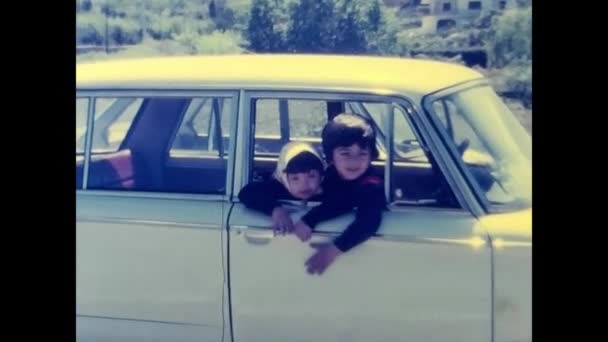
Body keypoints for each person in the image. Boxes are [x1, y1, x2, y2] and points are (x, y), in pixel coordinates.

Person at [293, 113, 386, 275]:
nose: (354, 161)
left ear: (371, 156)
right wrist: (276, 209)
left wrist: (331, 251)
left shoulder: (371, 185)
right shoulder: (329, 175)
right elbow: (337, 200)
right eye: (345, 153)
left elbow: (367, 221)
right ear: (331, 157)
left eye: (362, 153)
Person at [238, 141, 325, 235]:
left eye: (311, 176)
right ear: (284, 177)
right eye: (295, 178)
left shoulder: (328, 189)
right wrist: (275, 209)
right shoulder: (278, 187)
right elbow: (246, 193)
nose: (304, 185)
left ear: (321, 176)